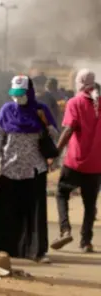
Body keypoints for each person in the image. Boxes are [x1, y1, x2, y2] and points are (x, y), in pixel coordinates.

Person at [0, 75, 58, 262]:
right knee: (6, 213)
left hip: (34, 171)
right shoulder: (6, 111)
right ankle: (4, 248)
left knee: (33, 214)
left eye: (21, 93)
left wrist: (45, 122)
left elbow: (54, 135)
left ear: (29, 92)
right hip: (9, 170)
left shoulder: (41, 110)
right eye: (14, 93)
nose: (17, 97)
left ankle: (36, 251)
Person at [51, 69, 101, 253]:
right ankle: (86, 241)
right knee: (90, 204)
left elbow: (69, 129)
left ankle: (65, 230)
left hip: (74, 161)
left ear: (79, 82)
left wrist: (55, 152)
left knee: (61, 194)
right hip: (96, 165)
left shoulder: (75, 102)